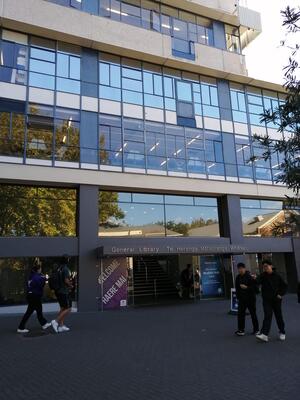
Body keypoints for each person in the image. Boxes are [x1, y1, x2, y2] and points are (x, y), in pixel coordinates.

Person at [255, 260, 287, 342]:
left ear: (271, 266)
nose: (265, 268)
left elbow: (284, 286)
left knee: (278, 316)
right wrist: (254, 278)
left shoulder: (277, 275)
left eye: (266, 266)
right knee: (267, 315)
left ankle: (282, 332)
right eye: (264, 267)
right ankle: (265, 334)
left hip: (276, 300)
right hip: (266, 300)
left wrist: (280, 294)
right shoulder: (262, 276)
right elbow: (257, 282)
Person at [17, 261, 51, 333]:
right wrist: (46, 278)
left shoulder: (31, 276)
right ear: (38, 270)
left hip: (30, 295)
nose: (41, 270)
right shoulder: (38, 277)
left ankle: (43, 324)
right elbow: (43, 283)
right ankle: (21, 327)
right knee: (35, 311)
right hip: (35, 296)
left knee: (34, 311)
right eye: (40, 269)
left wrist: (43, 276)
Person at [234, 262, 259, 336]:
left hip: (250, 298)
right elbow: (237, 288)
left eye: (242, 268)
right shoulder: (238, 277)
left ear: (245, 268)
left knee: (253, 314)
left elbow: (256, 289)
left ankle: (256, 329)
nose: (240, 270)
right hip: (242, 299)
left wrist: (247, 287)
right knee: (240, 314)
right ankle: (241, 330)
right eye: (239, 269)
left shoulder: (249, 276)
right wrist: (238, 298)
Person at [51, 256, 73, 333]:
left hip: (58, 291)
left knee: (63, 308)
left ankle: (61, 326)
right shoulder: (65, 269)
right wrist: (71, 285)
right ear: (66, 260)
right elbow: (66, 280)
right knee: (69, 308)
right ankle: (56, 322)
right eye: (68, 259)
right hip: (64, 292)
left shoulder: (59, 268)